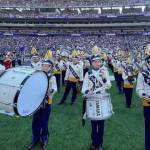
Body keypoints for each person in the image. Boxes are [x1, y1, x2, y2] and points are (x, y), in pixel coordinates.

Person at [82, 54, 111, 150]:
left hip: (102, 100)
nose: (97, 63)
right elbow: (84, 88)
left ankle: (100, 144)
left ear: (101, 62)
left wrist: (103, 78)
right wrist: (87, 92)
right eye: (95, 61)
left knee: (101, 125)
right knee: (94, 124)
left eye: (99, 61)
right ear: (92, 63)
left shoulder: (104, 71)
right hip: (92, 101)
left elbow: (108, 85)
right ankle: (94, 143)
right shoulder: (88, 73)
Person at [28, 59, 57, 150]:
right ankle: (35, 139)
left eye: (46, 66)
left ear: (50, 68)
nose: (44, 67)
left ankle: (44, 138)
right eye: (43, 65)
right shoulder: (38, 75)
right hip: (36, 103)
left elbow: (55, 88)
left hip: (46, 103)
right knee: (35, 122)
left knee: (44, 122)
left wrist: (50, 91)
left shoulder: (52, 77)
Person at [136, 55, 150, 150]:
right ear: (147, 63)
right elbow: (139, 88)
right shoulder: (142, 74)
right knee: (148, 128)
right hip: (148, 103)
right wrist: (144, 95)